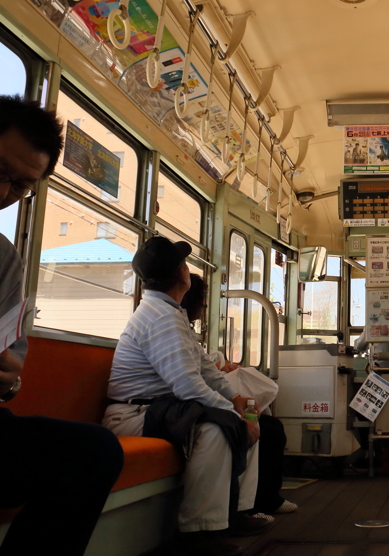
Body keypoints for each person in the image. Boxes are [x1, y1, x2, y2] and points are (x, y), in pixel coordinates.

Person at [0, 95, 124, 556]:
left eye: (19, 187)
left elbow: (11, 362)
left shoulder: (3, 258)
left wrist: (5, 382)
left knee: (93, 452)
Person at [104, 237, 272, 556]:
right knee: (218, 429)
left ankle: (236, 512)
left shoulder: (171, 312)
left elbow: (205, 371)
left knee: (247, 417)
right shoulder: (160, 318)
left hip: (160, 410)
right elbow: (187, 386)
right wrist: (233, 414)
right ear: (181, 274)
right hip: (133, 416)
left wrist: (237, 401)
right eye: (184, 264)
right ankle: (197, 532)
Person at [180, 273, 297, 515]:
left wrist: (236, 398)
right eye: (202, 303)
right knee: (257, 428)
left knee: (271, 427)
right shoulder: (167, 324)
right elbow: (186, 380)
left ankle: (261, 500)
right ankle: (244, 508)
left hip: (196, 401)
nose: (203, 309)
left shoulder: (183, 329)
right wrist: (233, 409)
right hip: (180, 405)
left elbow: (204, 370)